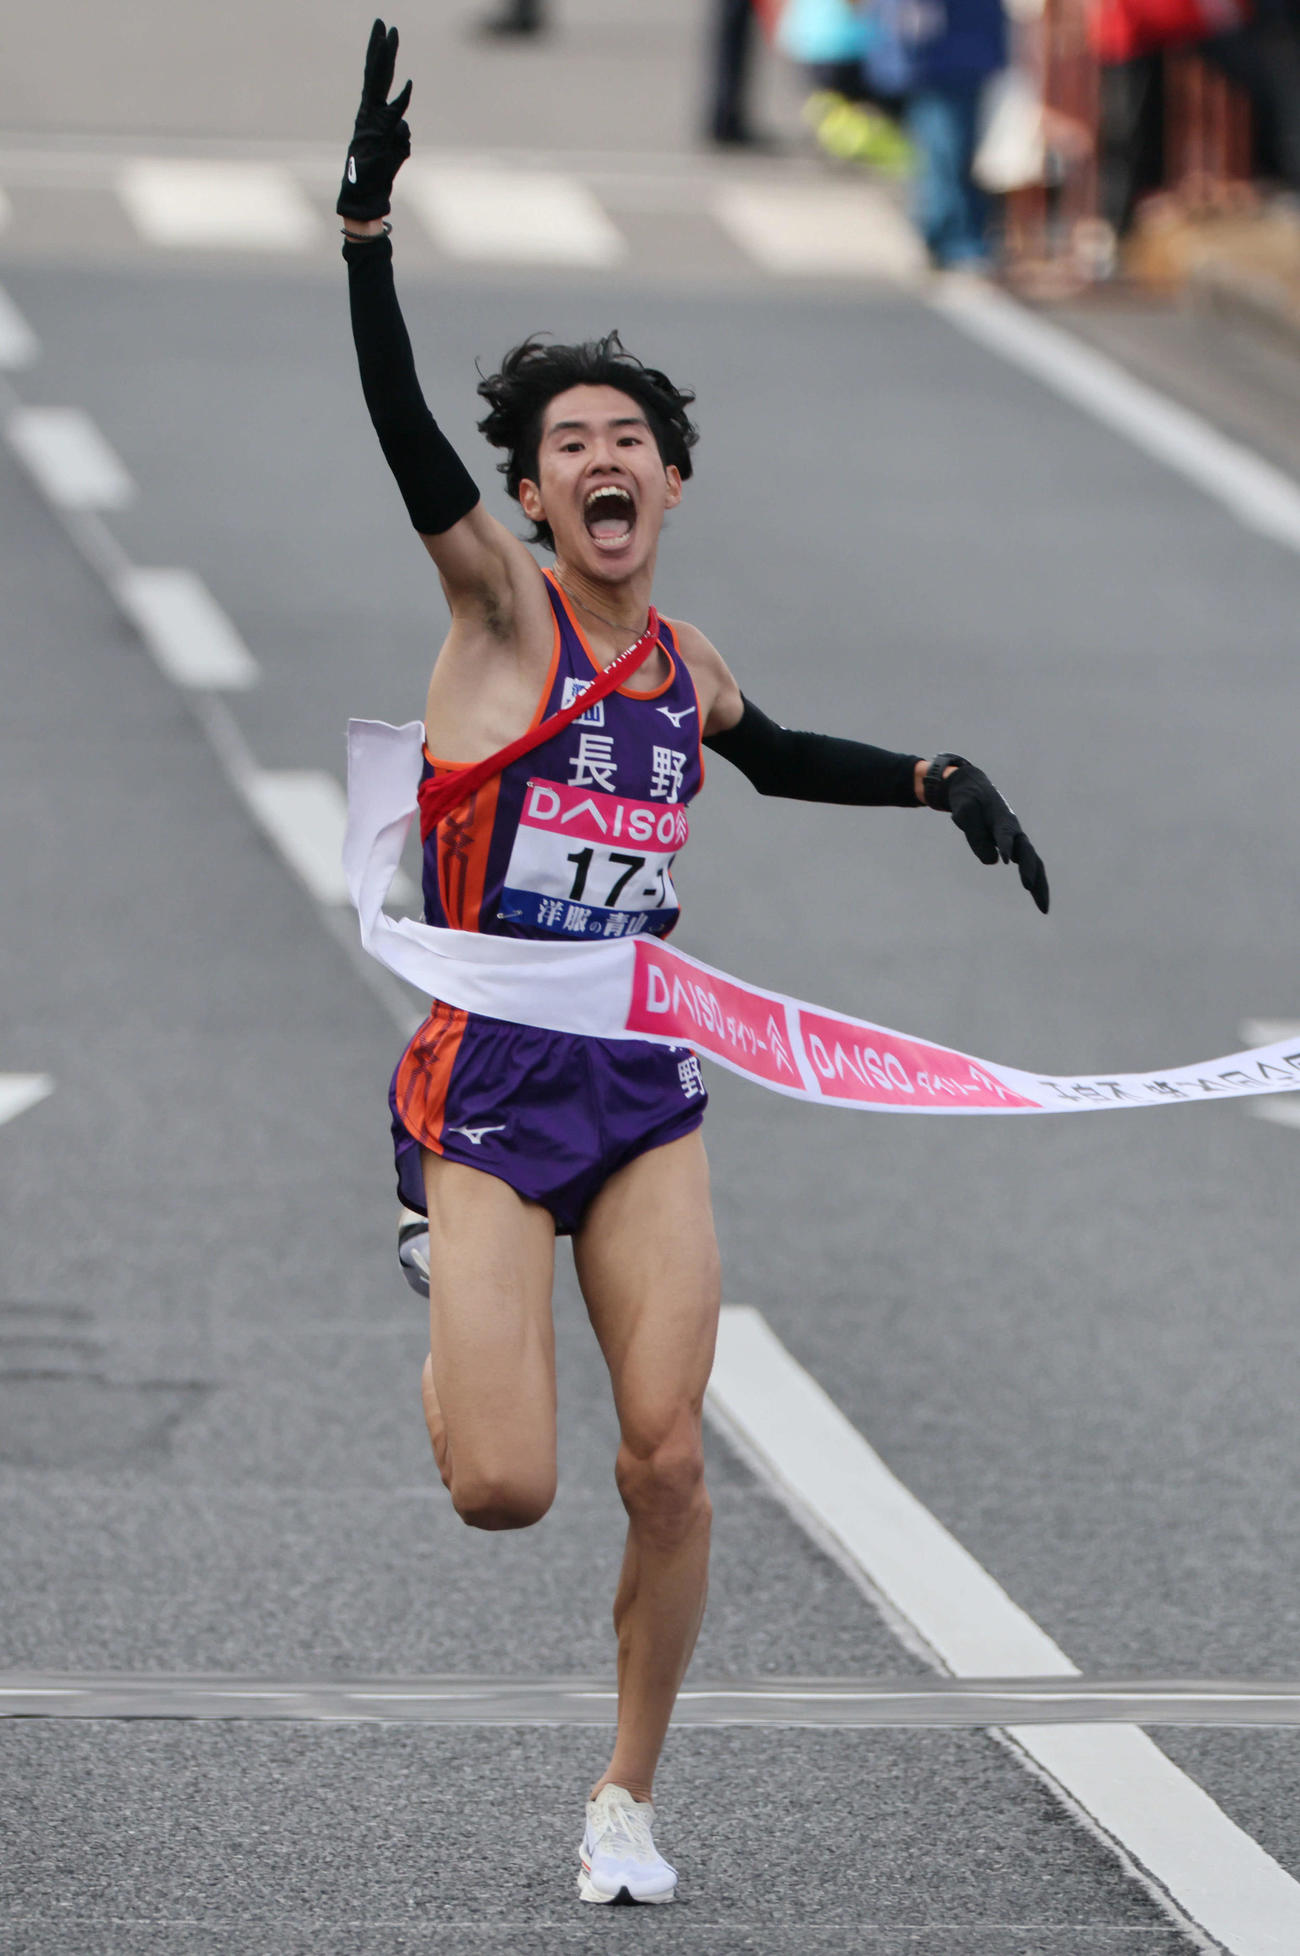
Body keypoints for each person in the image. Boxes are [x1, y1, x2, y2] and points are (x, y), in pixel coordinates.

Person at [338, 19, 1048, 1907]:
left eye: (627, 444)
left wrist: (936, 780)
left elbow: (772, 750)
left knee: (670, 1464)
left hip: (639, 1087)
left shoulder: (684, 657)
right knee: (507, 1487)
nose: (598, 465)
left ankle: (627, 1799)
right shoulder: (502, 617)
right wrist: (362, 240)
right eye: (566, 449)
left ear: (668, 484)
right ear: (538, 498)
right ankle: (436, 1268)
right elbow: (412, 446)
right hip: (489, 1083)